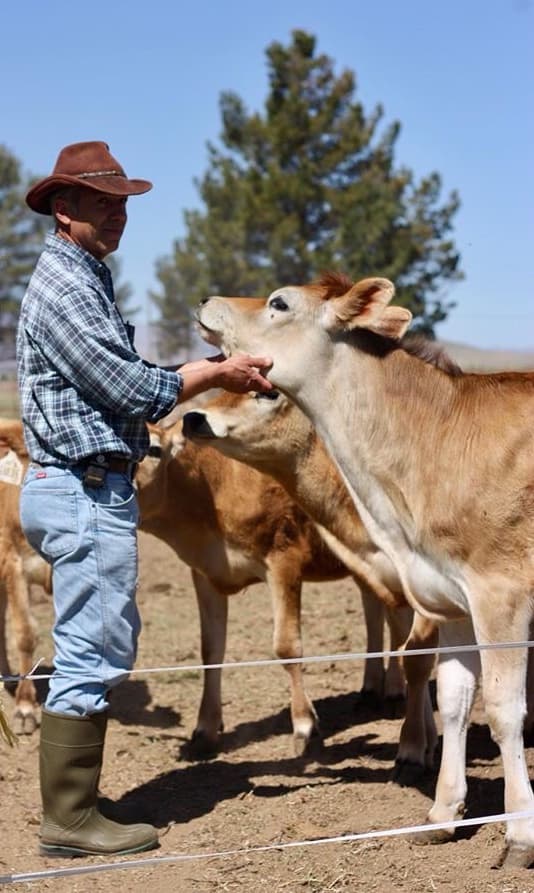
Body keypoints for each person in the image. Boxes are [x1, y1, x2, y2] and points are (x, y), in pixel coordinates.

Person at [16, 141, 273, 858]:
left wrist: (203, 371)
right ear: (64, 209)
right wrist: (216, 371)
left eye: (124, 203)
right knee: (93, 648)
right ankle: (69, 818)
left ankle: (73, 807)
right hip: (80, 485)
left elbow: (126, 376)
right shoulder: (67, 287)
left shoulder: (82, 276)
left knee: (102, 640)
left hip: (80, 485)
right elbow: (131, 388)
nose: (119, 215)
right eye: (104, 202)